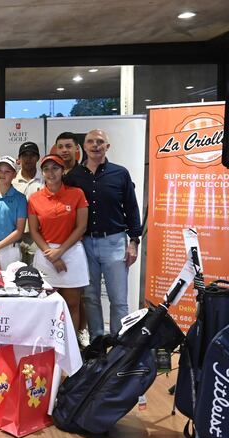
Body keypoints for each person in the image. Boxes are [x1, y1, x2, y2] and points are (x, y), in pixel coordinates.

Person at [64, 129, 142, 339]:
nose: (95, 145)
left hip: (115, 242)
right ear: (84, 147)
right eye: (90, 141)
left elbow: (132, 209)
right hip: (85, 244)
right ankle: (97, 342)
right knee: (90, 297)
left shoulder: (120, 173)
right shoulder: (73, 177)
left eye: (100, 142)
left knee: (118, 299)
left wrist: (134, 241)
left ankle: (120, 345)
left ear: (107, 147)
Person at [28, 154, 89, 332]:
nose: (51, 172)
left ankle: (73, 349)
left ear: (63, 171)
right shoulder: (35, 198)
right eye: (46, 169)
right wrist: (53, 256)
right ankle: (50, 346)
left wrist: (60, 252)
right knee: (47, 305)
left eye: (55, 168)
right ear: (42, 173)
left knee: (72, 304)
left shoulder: (76, 193)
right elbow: (34, 230)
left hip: (71, 252)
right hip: (46, 254)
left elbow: (81, 227)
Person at [12, 141, 45, 265]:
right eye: (24, 155)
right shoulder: (12, 179)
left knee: (36, 274)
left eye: (32, 155)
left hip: (36, 236)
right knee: (13, 273)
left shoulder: (45, 179)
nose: (28, 158)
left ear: (37, 158)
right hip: (14, 234)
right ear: (19, 159)